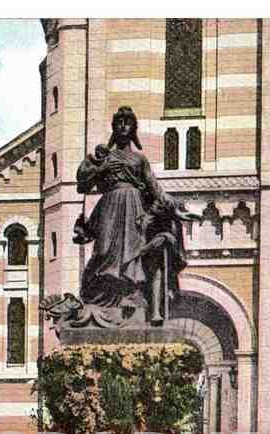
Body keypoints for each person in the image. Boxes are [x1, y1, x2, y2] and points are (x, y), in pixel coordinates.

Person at [75, 106, 197, 322]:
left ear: (133, 129)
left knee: (132, 254)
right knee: (103, 251)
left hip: (134, 209)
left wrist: (176, 210)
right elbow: (83, 183)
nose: (123, 126)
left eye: (128, 123)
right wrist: (97, 164)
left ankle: (129, 299)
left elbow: (155, 188)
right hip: (109, 207)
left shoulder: (140, 160)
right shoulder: (106, 156)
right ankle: (102, 300)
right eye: (119, 123)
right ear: (114, 128)